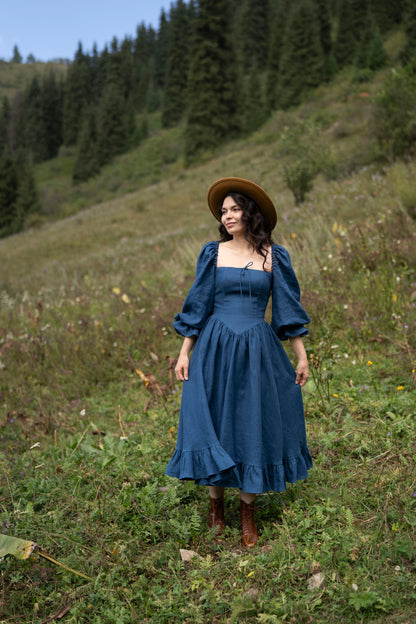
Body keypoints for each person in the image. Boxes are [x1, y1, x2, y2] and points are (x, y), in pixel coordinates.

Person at [165, 177, 312, 547]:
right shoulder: (212, 253)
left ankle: (247, 513)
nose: (227, 216)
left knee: (251, 421)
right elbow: (197, 306)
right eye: (223, 211)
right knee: (214, 417)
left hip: (256, 349)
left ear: (250, 212)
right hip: (214, 346)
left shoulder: (273, 256)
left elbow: (288, 310)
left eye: (234, 209)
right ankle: (216, 508)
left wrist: (301, 357)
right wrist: (184, 352)